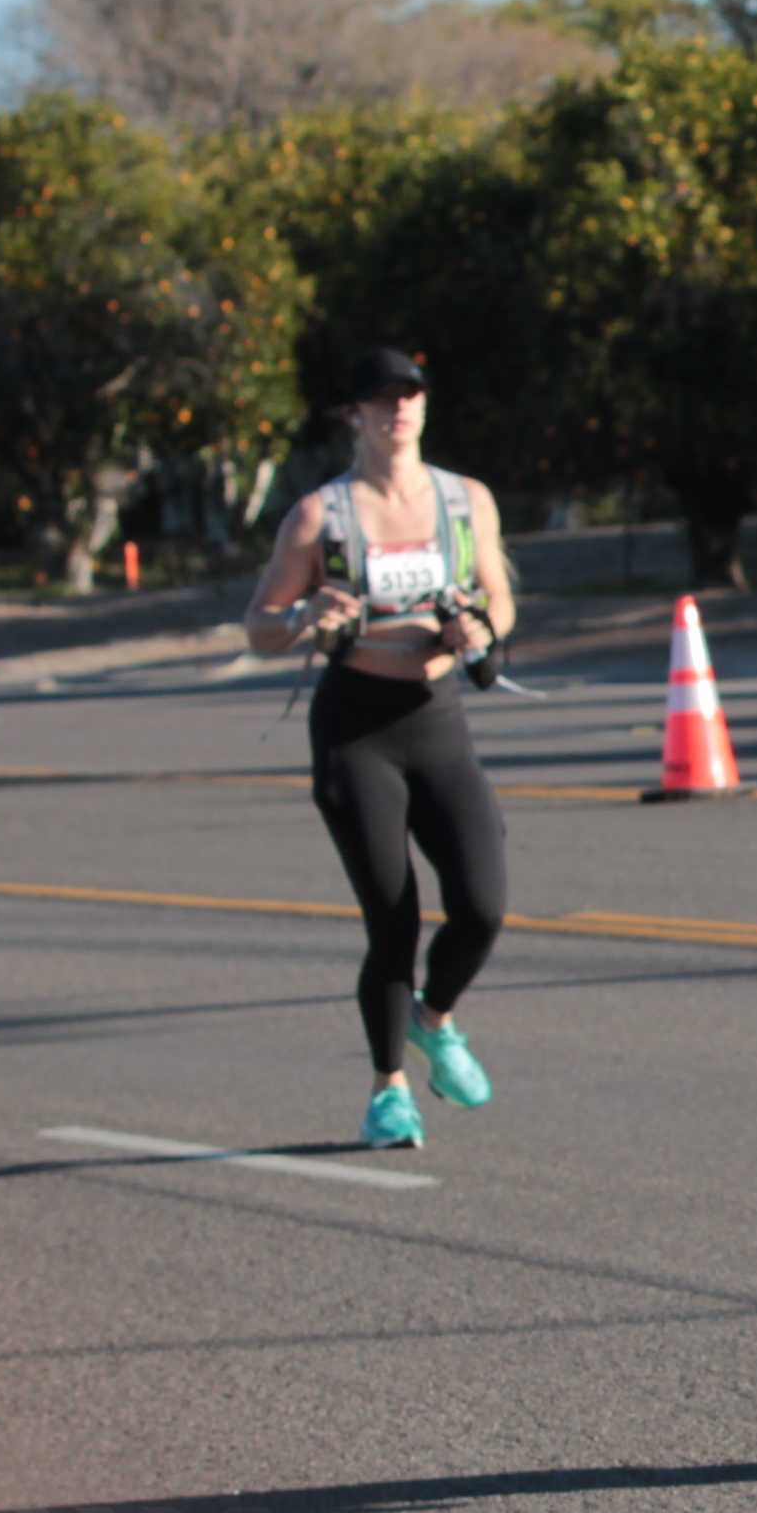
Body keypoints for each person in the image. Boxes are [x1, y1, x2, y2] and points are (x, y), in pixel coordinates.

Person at [242, 348, 517, 1151]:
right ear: (354, 415)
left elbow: (500, 597)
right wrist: (304, 617)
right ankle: (388, 1090)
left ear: (424, 408)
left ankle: (435, 1019)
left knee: (483, 905)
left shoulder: (466, 501)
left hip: (438, 717)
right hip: (357, 730)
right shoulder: (321, 516)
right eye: (383, 398)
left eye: (411, 396)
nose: (399, 409)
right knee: (393, 920)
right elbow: (259, 625)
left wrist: (479, 627)